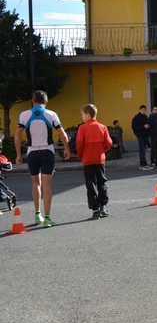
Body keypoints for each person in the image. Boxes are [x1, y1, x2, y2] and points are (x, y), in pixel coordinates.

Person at [14, 90, 71, 227]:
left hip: (32, 152)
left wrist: (18, 154)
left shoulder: (24, 114)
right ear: (46, 101)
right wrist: (67, 149)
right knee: (47, 186)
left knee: (35, 183)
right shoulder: (51, 114)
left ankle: (37, 214)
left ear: (33, 101)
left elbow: (17, 135)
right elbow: (62, 134)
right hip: (47, 151)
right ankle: (47, 217)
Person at [76, 104, 113, 220]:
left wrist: (81, 155)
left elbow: (79, 144)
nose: (82, 116)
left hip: (87, 159)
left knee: (90, 184)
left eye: (82, 114)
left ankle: (95, 209)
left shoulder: (82, 128)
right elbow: (109, 143)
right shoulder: (102, 127)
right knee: (102, 181)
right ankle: (103, 206)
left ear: (87, 115)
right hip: (99, 158)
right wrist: (102, 151)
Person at [131, 105, 152, 170]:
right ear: (140, 110)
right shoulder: (136, 118)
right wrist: (143, 126)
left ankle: (144, 163)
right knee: (142, 150)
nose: (143, 111)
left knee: (144, 150)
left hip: (145, 135)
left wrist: (148, 127)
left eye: (144, 109)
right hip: (140, 136)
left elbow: (147, 125)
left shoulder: (145, 117)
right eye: (142, 109)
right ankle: (142, 164)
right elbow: (134, 128)